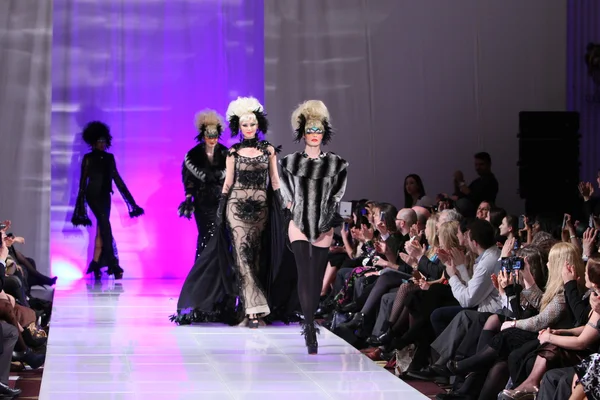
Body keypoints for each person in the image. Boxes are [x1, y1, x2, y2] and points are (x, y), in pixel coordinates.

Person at [280, 100, 349, 354]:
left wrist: (327, 218)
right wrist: (292, 208)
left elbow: (337, 195)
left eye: (318, 130)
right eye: (310, 130)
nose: (314, 135)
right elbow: (287, 196)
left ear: (325, 133)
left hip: (324, 222)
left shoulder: (337, 164)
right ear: (302, 132)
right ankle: (309, 326)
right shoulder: (289, 163)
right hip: (298, 221)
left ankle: (310, 321)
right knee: (304, 272)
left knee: (316, 277)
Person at [71, 121, 144, 279]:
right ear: (93, 142)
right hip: (92, 195)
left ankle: (96, 262)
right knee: (105, 224)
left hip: (105, 196)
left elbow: (117, 179)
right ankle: (113, 264)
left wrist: (131, 203)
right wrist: (80, 206)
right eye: (99, 141)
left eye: (104, 141)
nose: (102, 144)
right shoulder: (88, 158)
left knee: (101, 228)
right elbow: (83, 182)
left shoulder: (110, 158)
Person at [178, 109, 228, 260]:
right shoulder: (193, 156)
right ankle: (203, 274)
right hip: (202, 202)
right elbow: (189, 180)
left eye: (215, 136)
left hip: (222, 201)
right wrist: (188, 198)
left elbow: (231, 178)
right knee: (206, 234)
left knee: (221, 235)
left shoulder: (227, 154)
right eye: (209, 136)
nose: (212, 139)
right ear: (203, 135)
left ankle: (219, 276)